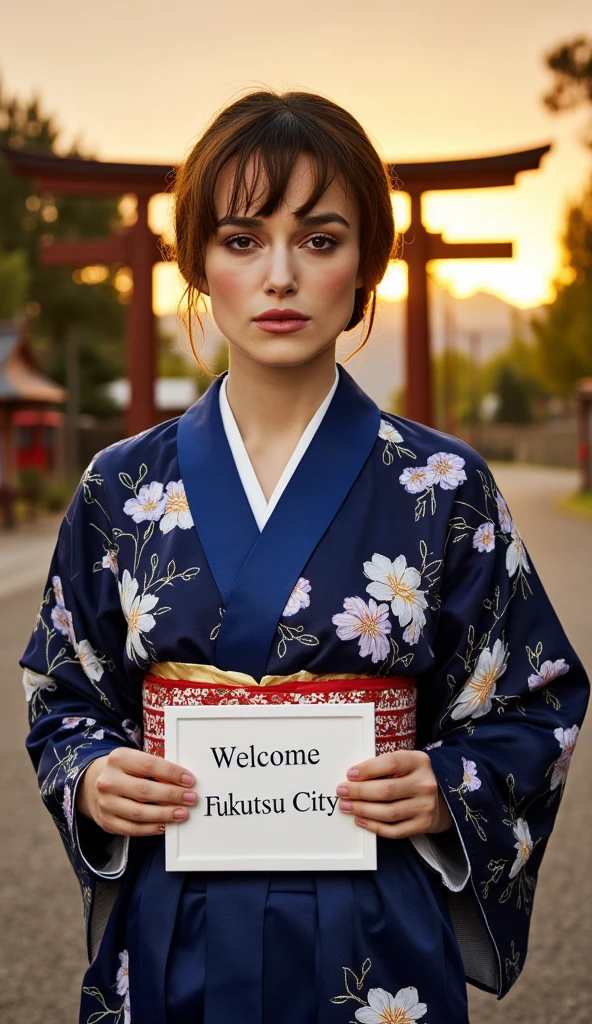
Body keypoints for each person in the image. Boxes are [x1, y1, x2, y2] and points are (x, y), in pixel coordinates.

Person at [21, 89, 589, 1024]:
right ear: (198, 262)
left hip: (374, 933)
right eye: (242, 240)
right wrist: (90, 773)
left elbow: (535, 699)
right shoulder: (120, 488)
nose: (279, 275)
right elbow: (64, 690)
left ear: (367, 262)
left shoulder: (446, 485)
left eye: (320, 240)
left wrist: (451, 788)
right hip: (177, 925)